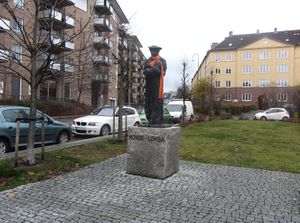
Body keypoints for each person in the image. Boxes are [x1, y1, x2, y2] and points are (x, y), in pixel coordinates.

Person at [143, 45, 167, 125]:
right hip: (148, 86)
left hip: (157, 87)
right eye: (151, 50)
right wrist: (153, 70)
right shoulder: (147, 61)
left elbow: (161, 72)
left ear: (158, 51)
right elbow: (145, 71)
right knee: (148, 104)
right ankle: (150, 119)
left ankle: (157, 120)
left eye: (155, 50)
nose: (153, 52)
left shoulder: (162, 61)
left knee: (157, 104)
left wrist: (151, 70)